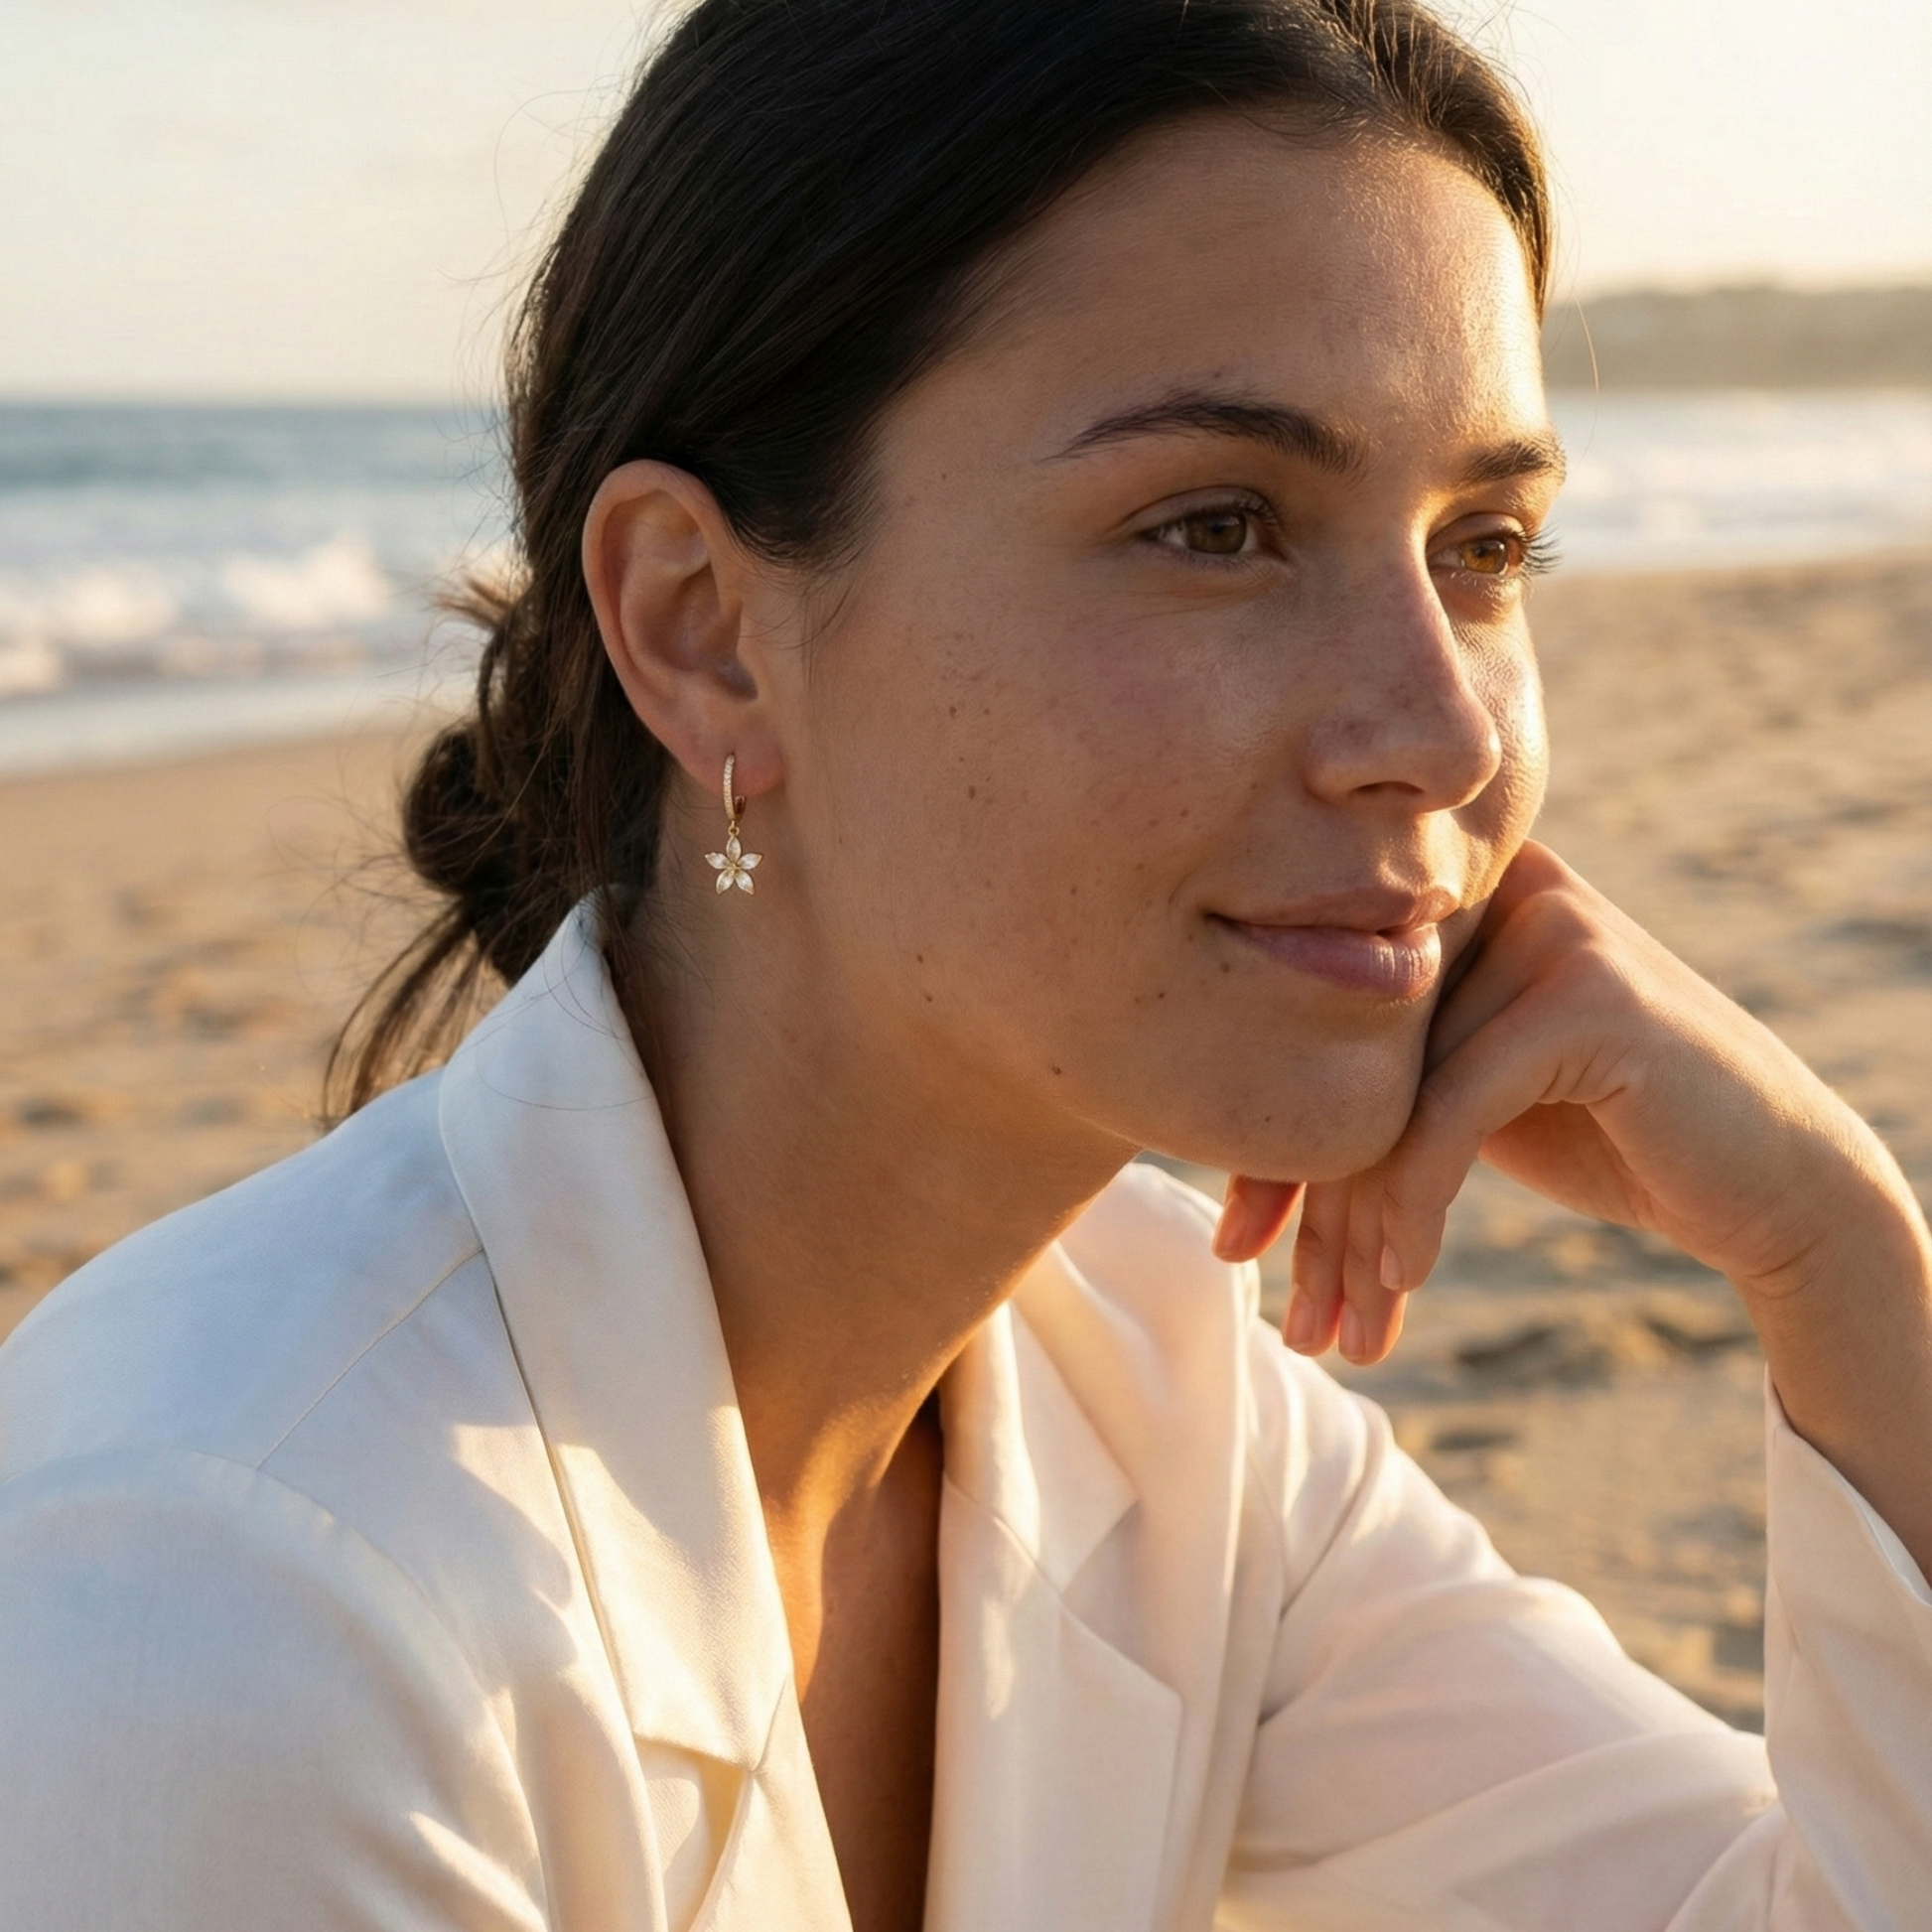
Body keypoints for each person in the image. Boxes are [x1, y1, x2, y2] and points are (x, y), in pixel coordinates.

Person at [1, 0, 1928, 1926]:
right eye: (1220, 525)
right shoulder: (230, 1610)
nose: (1441, 730)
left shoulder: (1154, 1398)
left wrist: (1841, 1256)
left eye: (1483, 544)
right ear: (703, 630)